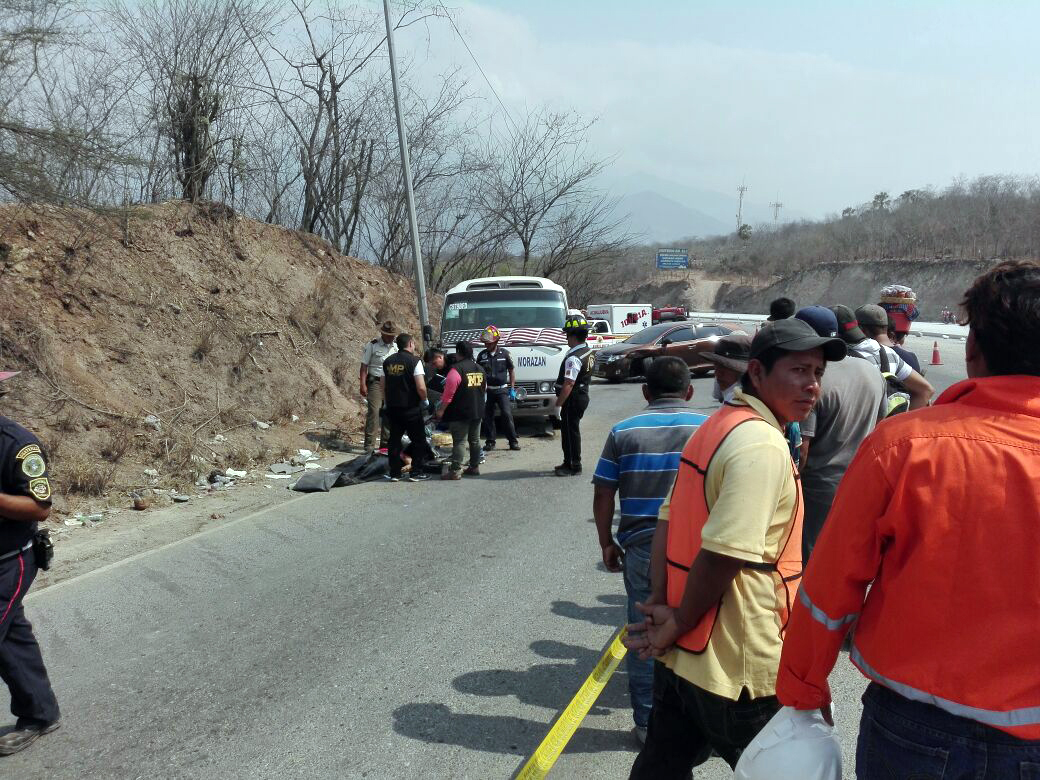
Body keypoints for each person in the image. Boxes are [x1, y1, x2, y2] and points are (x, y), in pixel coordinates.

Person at [777, 261, 1040, 778]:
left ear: (973, 351)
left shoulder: (905, 447)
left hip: (915, 729)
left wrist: (802, 686)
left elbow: (830, 587)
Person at [623, 318, 846, 777]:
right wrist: (676, 618)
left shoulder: (719, 426)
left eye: (818, 373)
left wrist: (664, 611)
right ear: (758, 373)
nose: (812, 386)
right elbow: (727, 550)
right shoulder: (760, 443)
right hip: (740, 665)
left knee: (659, 768)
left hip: (687, 656)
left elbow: (668, 517)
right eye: (799, 370)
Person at [592, 357, 706, 745]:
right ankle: (698, 717)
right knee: (698, 625)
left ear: (645, 392)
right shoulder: (710, 429)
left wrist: (606, 541)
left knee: (644, 632)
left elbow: (604, 491)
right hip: (700, 549)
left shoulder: (623, 432)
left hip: (641, 547)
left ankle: (647, 723)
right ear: (689, 391)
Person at [793, 305, 887, 562]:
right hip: (862, 483)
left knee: (813, 559)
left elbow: (803, 449)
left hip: (819, 490)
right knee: (852, 557)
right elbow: (881, 428)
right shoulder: (871, 372)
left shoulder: (813, 381)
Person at [0, 371, 60, 756]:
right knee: (10, 638)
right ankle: (40, 713)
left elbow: (41, 508)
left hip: (8, 562)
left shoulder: (17, 445)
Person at [832, 304, 933, 410]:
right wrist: (903, 421)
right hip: (893, 423)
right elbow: (926, 390)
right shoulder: (906, 357)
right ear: (886, 326)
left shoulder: (848, 357)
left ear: (861, 329)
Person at [381, 334, 431, 483]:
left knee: (394, 440)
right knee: (418, 440)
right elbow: (421, 387)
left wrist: (385, 402)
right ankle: (416, 472)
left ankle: (394, 473)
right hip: (411, 408)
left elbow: (382, 385)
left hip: (393, 408)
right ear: (410, 343)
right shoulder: (415, 361)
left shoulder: (387, 361)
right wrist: (425, 400)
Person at [552, 314, 595, 476]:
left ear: (574, 335)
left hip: (573, 398)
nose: (566, 338)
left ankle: (573, 465)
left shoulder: (574, 358)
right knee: (570, 431)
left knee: (570, 432)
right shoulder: (587, 351)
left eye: (568, 334)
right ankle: (568, 461)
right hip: (581, 394)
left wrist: (558, 404)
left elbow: (568, 383)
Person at [436, 342, 487, 480]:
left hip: (460, 412)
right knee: (475, 440)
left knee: (459, 441)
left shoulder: (456, 370)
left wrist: (441, 410)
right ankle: (474, 467)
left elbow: (448, 394)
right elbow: (484, 390)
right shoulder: (480, 368)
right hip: (477, 410)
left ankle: (455, 471)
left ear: (459, 352)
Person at [475, 326, 520, 452]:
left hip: (502, 390)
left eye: (489, 343)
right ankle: (490, 442)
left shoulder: (505, 354)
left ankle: (513, 441)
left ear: (496, 341)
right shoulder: (481, 355)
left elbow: (511, 371)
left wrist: (512, 388)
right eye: (485, 343)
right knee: (488, 416)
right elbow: (478, 373)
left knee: (506, 414)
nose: (486, 345)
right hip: (487, 391)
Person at [359, 321, 398, 452]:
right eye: (388, 335)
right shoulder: (372, 345)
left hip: (391, 383)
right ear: (382, 334)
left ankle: (385, 445)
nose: (390, 338)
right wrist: (362, 384)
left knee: (388, 413)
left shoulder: (396, 348)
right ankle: (369, 445)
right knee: (374, 412)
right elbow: (364, 365)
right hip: (375, 382)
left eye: (392, 335)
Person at [702, 333, 752, 404]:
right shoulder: (730, 398)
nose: (718, 373)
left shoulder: (739, 405)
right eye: (715, 366)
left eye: (725, 367)